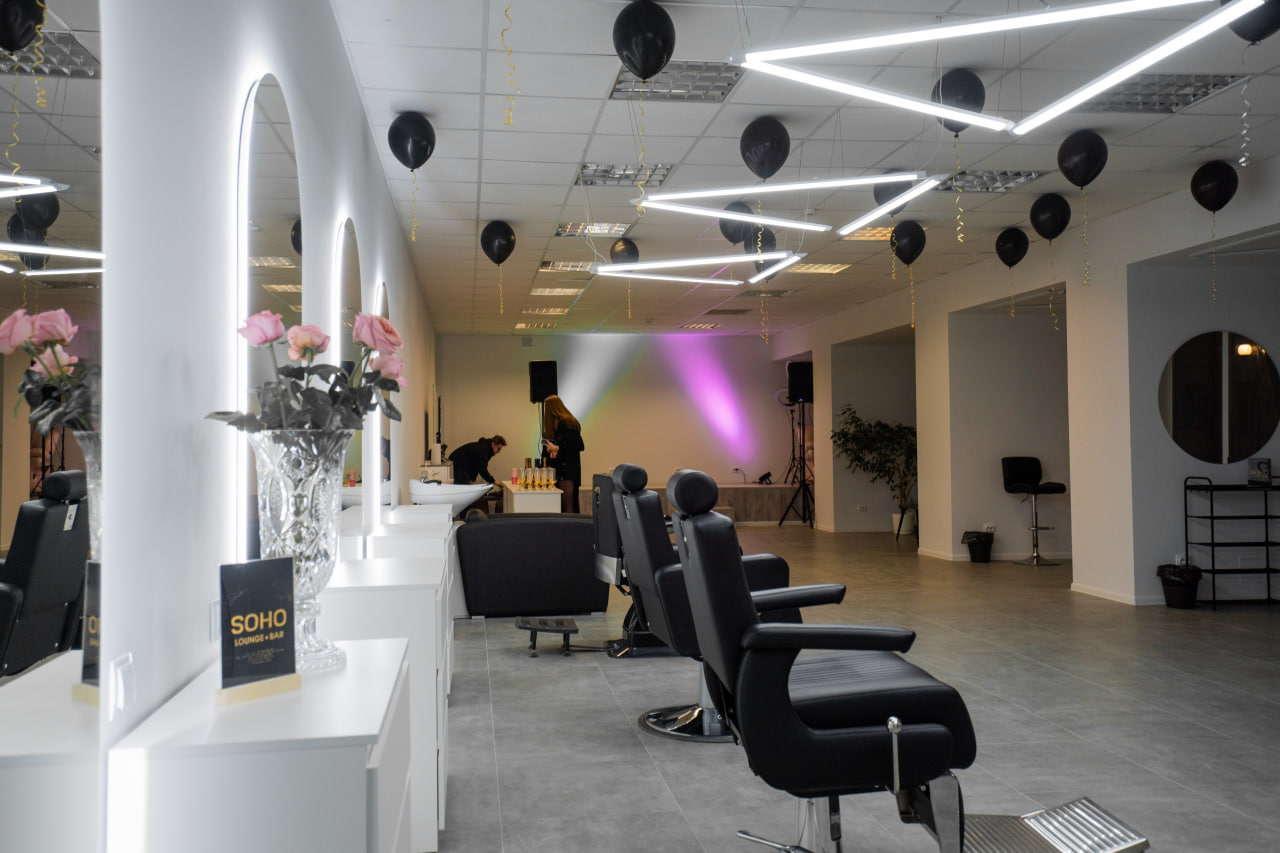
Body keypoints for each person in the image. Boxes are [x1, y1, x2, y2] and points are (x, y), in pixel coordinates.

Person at [541, 395, 584, 513]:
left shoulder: (566, 422)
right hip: (562, 471)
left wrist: (557, 448)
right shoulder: (557, 425)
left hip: (568, 472)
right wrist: (553, 451)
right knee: (564, 506)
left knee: (568, 506)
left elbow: (579, 445)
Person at [449, 435, 506, 513]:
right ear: (493, 444)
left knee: (465, 495)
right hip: (459, 465)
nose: (498, 451)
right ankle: (464, 517)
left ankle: (465, 516)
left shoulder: (484, 448)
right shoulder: (483, 450)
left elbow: (476, 466)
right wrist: (494, 481)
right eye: (498, 448)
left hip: (460, 465)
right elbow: (482, 469)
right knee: (464, 497)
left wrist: (472, 479)